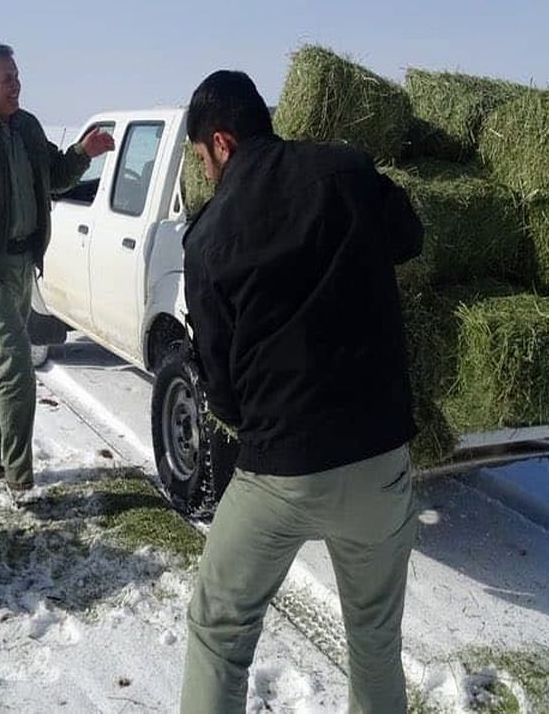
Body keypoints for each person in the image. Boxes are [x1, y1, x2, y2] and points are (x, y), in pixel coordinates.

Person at [179, 70, 424, 713]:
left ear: (223, 143)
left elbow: (222, 388)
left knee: (218, 632)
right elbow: (410, 237)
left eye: (202, 159)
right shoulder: (344, 169)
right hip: (378, 462)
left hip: (280, 473)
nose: (204, 174)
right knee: (374, 641)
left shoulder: (206, 238)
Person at [0, 41, 114, 491]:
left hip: (22, 262)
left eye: (17, 76)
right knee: (14, 357)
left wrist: (83, 153)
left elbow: (55, 176)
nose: (17, 85)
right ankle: (18, 473)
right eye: (7, 79)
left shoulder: (28, 128)